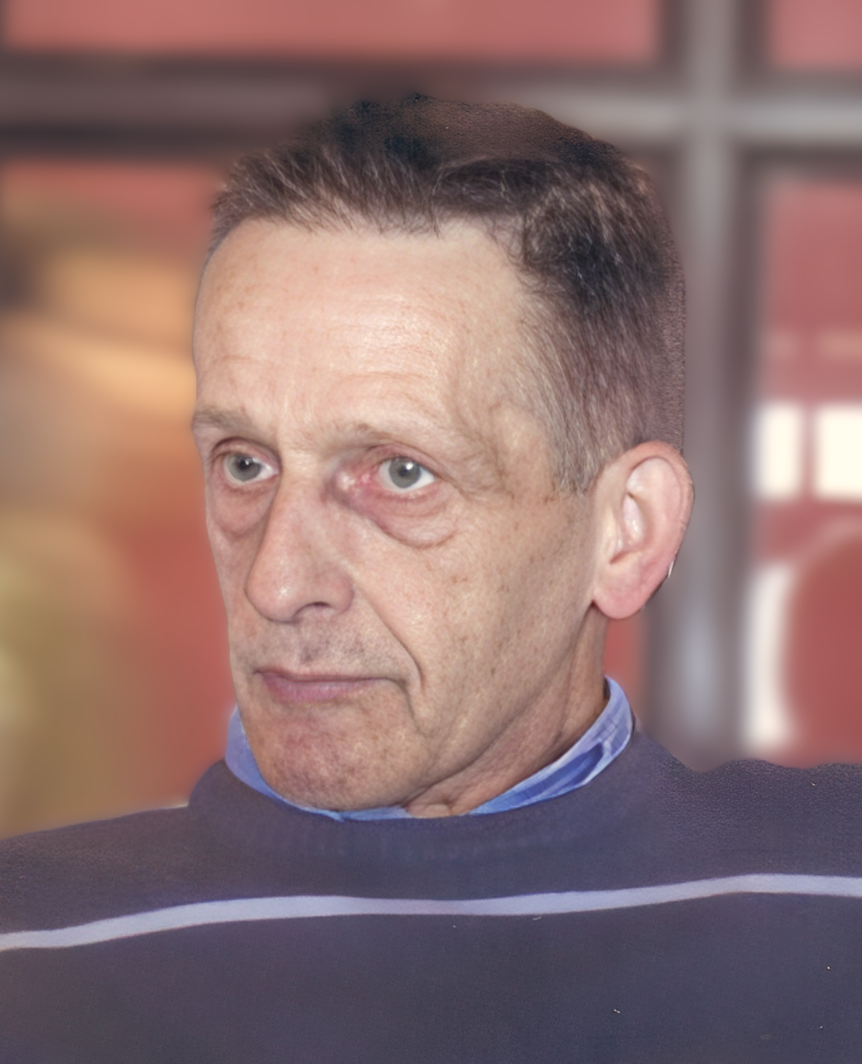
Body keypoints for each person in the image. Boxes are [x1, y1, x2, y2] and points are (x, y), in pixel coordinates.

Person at [2, 96, 862, 1063]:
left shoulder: (835, 903)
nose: (275, 585)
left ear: (626, 532)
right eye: (245, 462)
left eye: (402, 474)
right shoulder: (28, 950)